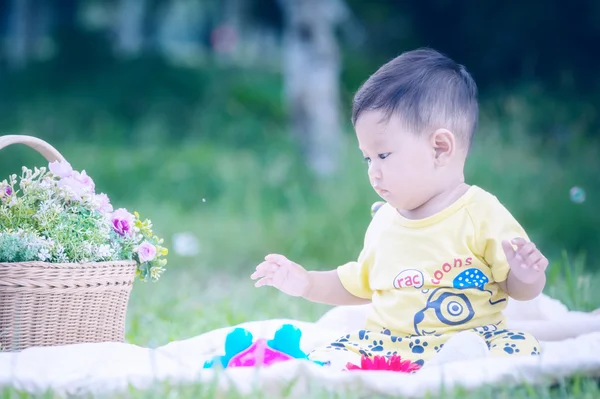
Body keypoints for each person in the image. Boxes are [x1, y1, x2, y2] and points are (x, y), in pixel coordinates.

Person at [250, 48, 548, 370]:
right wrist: (306, 282)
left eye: (383, 156)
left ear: (439, 148)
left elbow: (516, 288)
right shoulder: (385, 220)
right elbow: (359, 283)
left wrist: (526, 275)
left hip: (469, 339)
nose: (372, 172)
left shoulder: (481, 213)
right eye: (367, 158)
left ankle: (457, 369)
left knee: (519, 349)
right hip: (388, 345)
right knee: (328, 356)